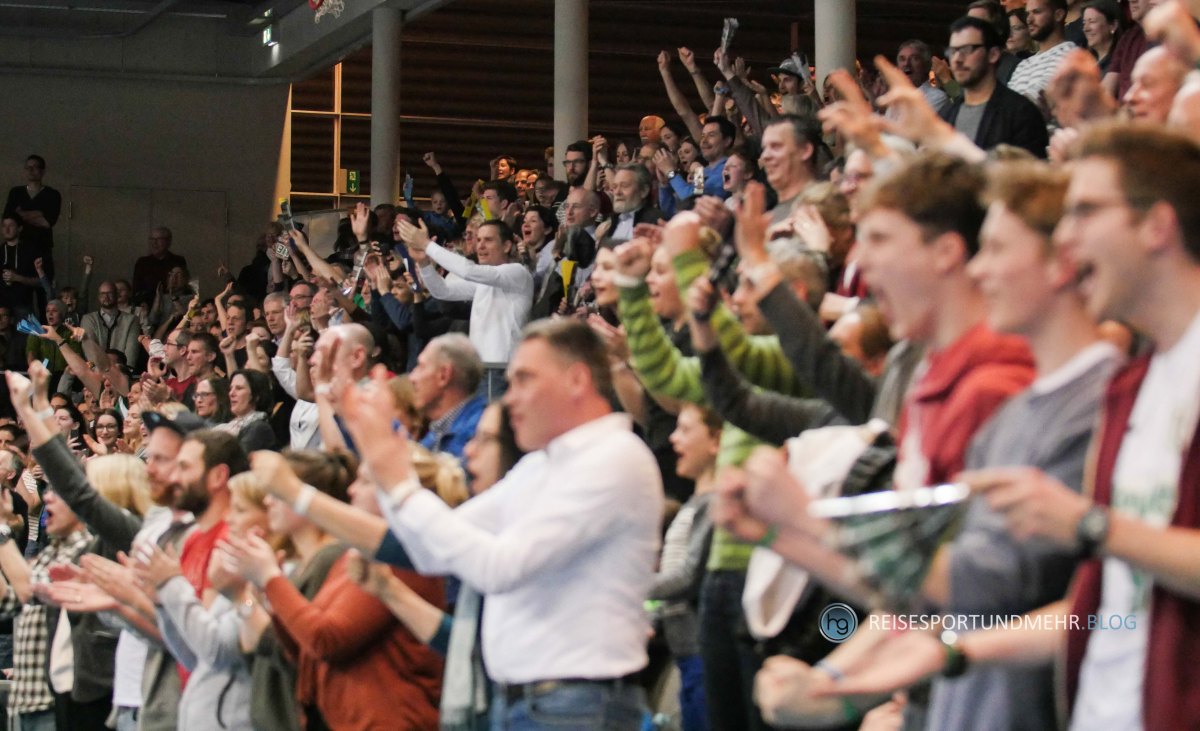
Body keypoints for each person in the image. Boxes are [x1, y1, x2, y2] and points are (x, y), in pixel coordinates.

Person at [338, 318, 663, 728]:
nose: (510, 400)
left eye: (525, 379)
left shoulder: (614, 457)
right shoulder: (541, 466)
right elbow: (428, 551)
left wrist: (400, 484)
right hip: (526, 701)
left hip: (577, 705)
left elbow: (498, 569)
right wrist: (379, 454)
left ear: (577, 379)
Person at [222, 450, 445, 731]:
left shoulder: (403, 560)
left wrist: (269, 579)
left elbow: (327, 640)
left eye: (364, 482)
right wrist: (266, 591)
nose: (351, 489)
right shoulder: (351, 556)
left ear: (396, 494)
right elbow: (303, 650)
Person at [402, 218, 534, 378]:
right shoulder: (484, 282)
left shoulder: (517, 272)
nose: (480, 246)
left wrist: (427, 245)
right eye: (478, 240)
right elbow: (442, 291)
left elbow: (468, 270)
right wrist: (423, 263)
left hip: (502, 369)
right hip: (480, 368)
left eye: (488, 240)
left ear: (506, 246)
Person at [940, 16, 1050, 158]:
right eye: (953, 51)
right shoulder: (946, 114)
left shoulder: (1020, 113)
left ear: (993, 54)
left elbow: (1029, 175)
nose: (957, 59)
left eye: (966, 49)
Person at [407, 333, 487, 461]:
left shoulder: (482, 432)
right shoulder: (438, 431)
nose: (412, 378)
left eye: (421, 367)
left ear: (444, 375)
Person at [1007, 0, 1079, 117]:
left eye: (1036, 12)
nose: (1029, 20)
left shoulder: (1071, 56)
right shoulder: (1023, 64)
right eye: (1028, 14)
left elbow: (1035, 102)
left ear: (1058, 15)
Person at [3, 155, 61, 256]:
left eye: (35, 167)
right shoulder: (16, 192)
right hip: (18, 246)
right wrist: (39, 213)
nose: (31, 170)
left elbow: (48, 222)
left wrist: (20, 215)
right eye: (28, 167)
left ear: (42, 171)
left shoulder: (52, 194)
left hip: (42, 246)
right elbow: (8, 218)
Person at [81, 281, 141, 366]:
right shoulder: (88, 319)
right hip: (96, 373)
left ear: (116, 295)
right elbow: (90, 349)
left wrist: (124, 372)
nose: (106, 297)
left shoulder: (132, 320)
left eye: (109, 293)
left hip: (122, 373)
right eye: (102, 294)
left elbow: (131, 352)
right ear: (98, 297)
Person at [219, 370, 277, 452]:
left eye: (239, 388)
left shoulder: (259, 428)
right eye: (231, 388)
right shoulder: (224, 424)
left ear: (256, 396)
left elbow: (237, 459)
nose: (231, 393)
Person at [132, 227, 188, 298]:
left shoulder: (178, 261)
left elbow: (182, 286)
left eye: (159, 239)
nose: (154, 243)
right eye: (152, 239)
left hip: (172, 301)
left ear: (168, 241)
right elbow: (137, 288)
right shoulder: (142, 262)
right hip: (148, 304)